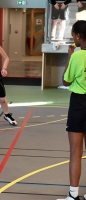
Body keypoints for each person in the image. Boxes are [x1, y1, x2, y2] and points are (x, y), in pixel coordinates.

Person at [57, 20, 86, 200]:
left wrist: (69, 56)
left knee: (76, 151)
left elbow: (66, 81)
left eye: (73, 35)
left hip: (79, 104)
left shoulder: (76, 56)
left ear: (77, 36)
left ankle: (73, 195)